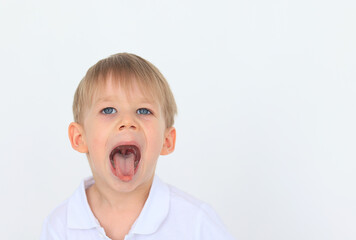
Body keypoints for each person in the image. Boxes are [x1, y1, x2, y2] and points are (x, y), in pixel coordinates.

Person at [40, 53, 235, 240]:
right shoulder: (60, 226)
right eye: (108, 110)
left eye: (143, 110)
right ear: (79, 138)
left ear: (167, 141)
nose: (127, 121)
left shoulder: (196, 223)